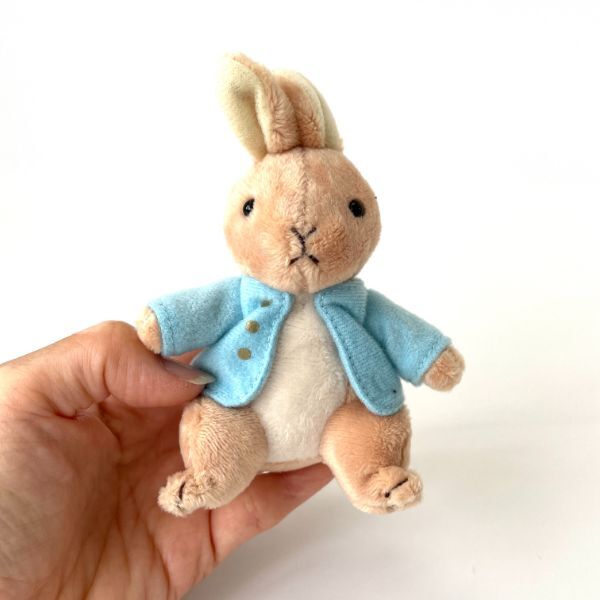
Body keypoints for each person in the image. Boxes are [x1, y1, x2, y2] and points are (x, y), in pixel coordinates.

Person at [0, 321, 332, 599]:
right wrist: (163, 323)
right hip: (231, 410)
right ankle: (203, 483)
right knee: (224, 440)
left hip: (312, 413)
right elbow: (195, 313)